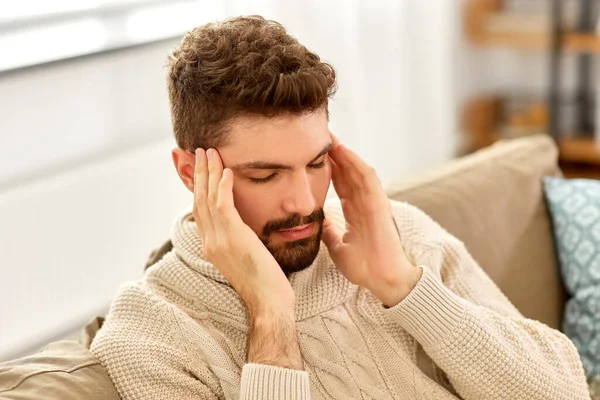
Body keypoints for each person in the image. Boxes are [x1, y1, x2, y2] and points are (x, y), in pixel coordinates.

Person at [90, 15, 589, 399]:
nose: (305, 201)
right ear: (189, 173)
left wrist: (405, 288)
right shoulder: (149, 335)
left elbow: (565, 392)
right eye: (265, 175)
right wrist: (271, 316)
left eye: (316, 162)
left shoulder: (395, 236)